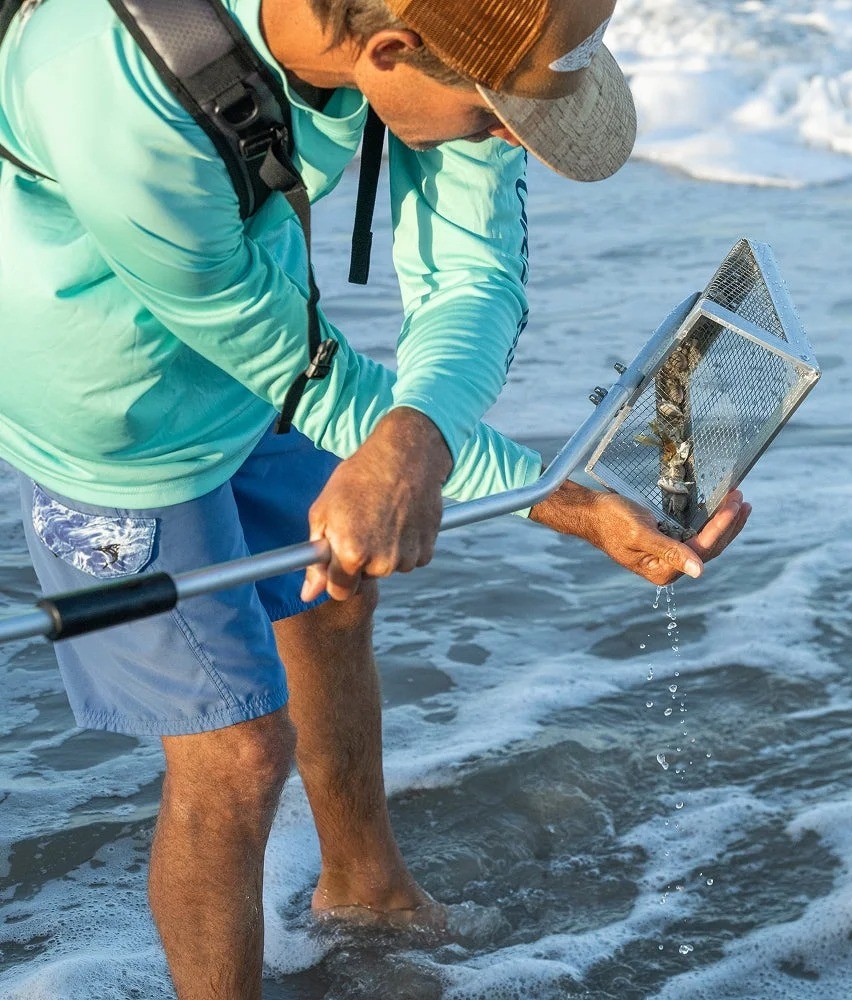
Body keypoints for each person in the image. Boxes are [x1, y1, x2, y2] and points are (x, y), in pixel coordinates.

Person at [0, 0, 751, 996]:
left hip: (264, 348)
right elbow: (296, 371)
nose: (503, 141)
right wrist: (560, 500)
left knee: (336, 586)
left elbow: (471, 276)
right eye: (493, 120)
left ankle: (366, 889)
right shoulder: (103, 82)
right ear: (390, 50)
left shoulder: (444, 27)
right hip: (114, 420)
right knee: (234, 757)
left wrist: (424, 442)